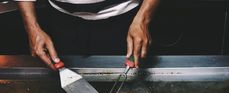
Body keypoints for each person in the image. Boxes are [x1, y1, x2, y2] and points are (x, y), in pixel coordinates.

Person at [16, 0, 161, 70]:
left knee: (129, 92)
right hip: (61, 23)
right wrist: (32, 27)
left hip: (125, 23)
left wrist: (143, 18)